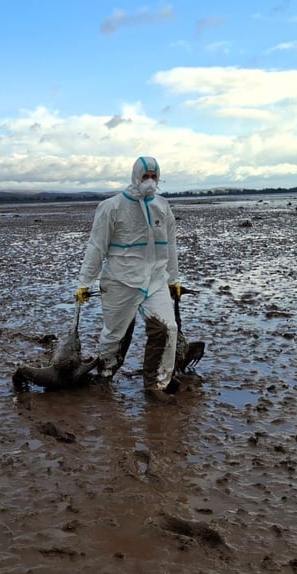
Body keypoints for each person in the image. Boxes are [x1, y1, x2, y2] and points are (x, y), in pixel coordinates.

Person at [75, 156, 183, 402]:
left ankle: (156, 384)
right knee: (115, 334)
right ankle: (105, 374)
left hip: (155, 280)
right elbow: (96, 247)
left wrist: (173, 279)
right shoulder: (111, 207)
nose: (150, 182)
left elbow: (171, 246)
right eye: (146, 177)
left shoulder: (163, 207)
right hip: (120, 280)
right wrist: (84, 283)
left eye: (155, 177)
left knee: (168, 328)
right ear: (136, 177)